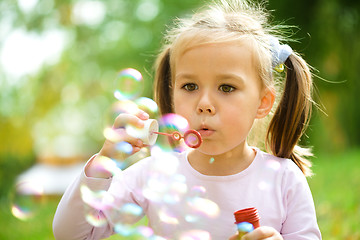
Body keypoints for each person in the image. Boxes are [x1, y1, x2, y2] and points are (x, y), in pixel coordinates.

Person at [53, 0, 321, 239]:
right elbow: (73, 234)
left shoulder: (284, 179)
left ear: (263, 103)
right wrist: (103, 163)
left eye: (226, 87)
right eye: (190, 86)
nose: (204, 104)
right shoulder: (153, 174)